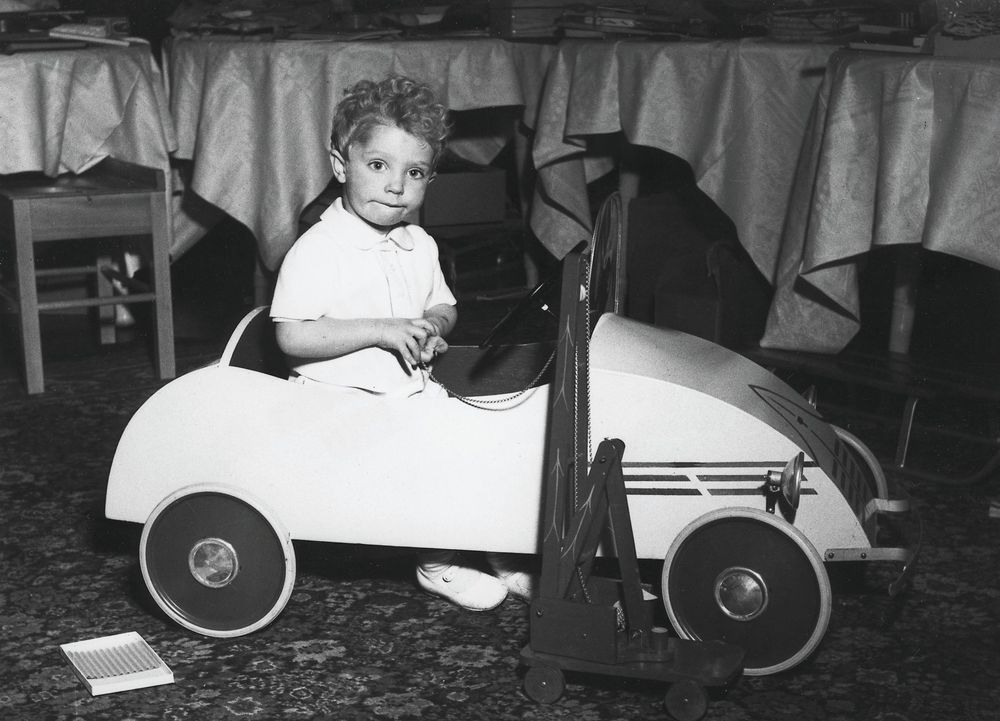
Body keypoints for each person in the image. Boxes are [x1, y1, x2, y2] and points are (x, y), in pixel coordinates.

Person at [269, 75, 531, 611]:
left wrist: (431, 326)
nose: (396, 187)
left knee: (486, 441)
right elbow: (291, 336)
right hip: (336, 405)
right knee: (429, 464)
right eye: (377, 165)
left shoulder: (420, 244)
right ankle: (437, 563)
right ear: (341, 165)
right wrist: (381, 329)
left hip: (406, 391)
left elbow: (446, 307)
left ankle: (500, 546)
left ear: (430, 178)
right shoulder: (319, 249)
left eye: (414, 173)